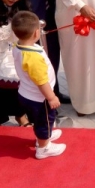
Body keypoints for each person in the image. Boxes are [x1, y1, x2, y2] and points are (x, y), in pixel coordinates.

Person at [11, 11, 66, 159]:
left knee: (39, 120)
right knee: (45, 121)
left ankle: (44, 136)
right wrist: (52, 97)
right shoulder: (34, 58)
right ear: (36, 33)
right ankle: (43, 147)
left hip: (26, 93)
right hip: (40, 98)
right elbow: (41, 82)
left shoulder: (18, 46)